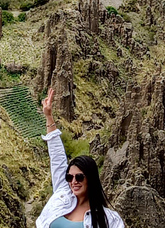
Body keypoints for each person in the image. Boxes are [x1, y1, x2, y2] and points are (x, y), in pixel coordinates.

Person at [35, 88, 124, 228]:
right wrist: (49, 116)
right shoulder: (62, 195)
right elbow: (57, 158)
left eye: (79, 177)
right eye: (70, 177)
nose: (73, 182)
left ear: (91, 178)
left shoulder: (109, 219)